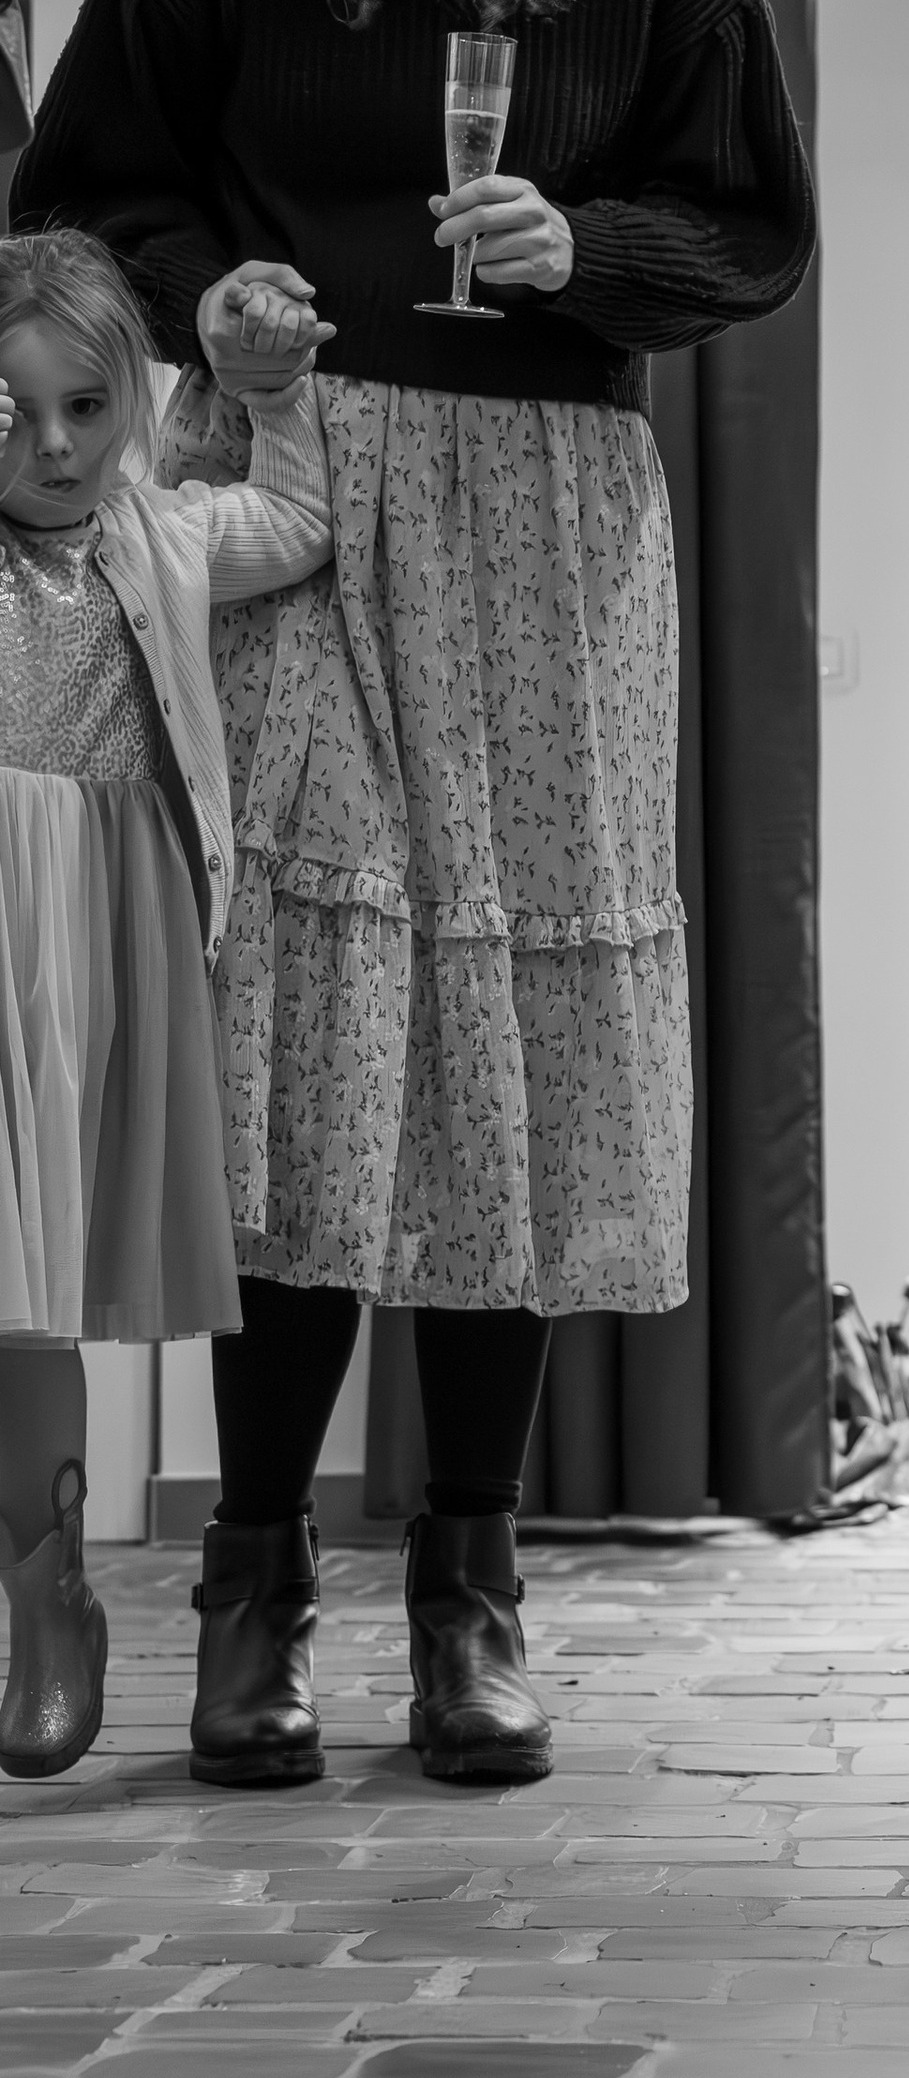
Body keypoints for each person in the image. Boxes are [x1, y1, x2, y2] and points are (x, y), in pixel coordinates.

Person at [12, 0, 813, 1787]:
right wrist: (214, 312)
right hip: (286, 504)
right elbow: (77, 200)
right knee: (303, 1018)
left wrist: (587, 245)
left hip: (553, 520)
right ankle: (250, 1574)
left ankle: (472, 1576)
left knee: (510, 1022)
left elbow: (748, 220)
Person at [0, 232, 333, 1776]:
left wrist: (270, 386)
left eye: (83, 406)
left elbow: (305, 518)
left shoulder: (163, 536)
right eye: (11, 412)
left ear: (132, 402)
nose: (51, 445)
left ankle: (47, 1593)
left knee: (26, 1286)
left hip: (91, 942)